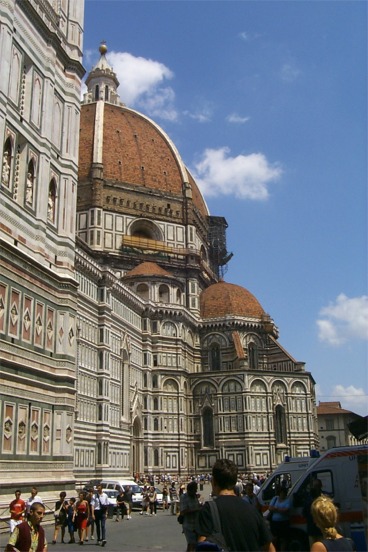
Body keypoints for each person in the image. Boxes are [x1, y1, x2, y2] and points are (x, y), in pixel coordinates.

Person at [196, 459, 275, 552]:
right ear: (234, 482)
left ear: (214, 482)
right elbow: (270, 548)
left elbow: (203, 546)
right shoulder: (252, 510)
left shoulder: (209, 510)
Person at [179, 481, 202, 552]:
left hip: (196, 524)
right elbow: (183, 511)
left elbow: (197, 506)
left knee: (193, 545)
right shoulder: (184, 497)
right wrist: (196, 510)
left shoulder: (195, 496)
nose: (195, 491)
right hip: (188, 525)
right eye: (194, 489)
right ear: (190, 489)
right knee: (192, 544)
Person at [268, 487, 291, 552]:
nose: (282, 494)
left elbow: (286, 510)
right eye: (281, 493)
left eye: (283, 493)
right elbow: (270, 508)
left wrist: (276, 509)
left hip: (284, 522)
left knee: (283, 539)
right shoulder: (275, 498)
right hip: (274, 523)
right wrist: (280, 509)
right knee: (274, 539)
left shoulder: (288, 500)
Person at [303, 478, 324, 547]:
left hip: (318, 529)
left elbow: (304, 514)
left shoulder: (309, 500)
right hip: (316, 529)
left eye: (316, 486)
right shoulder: (324, 498)